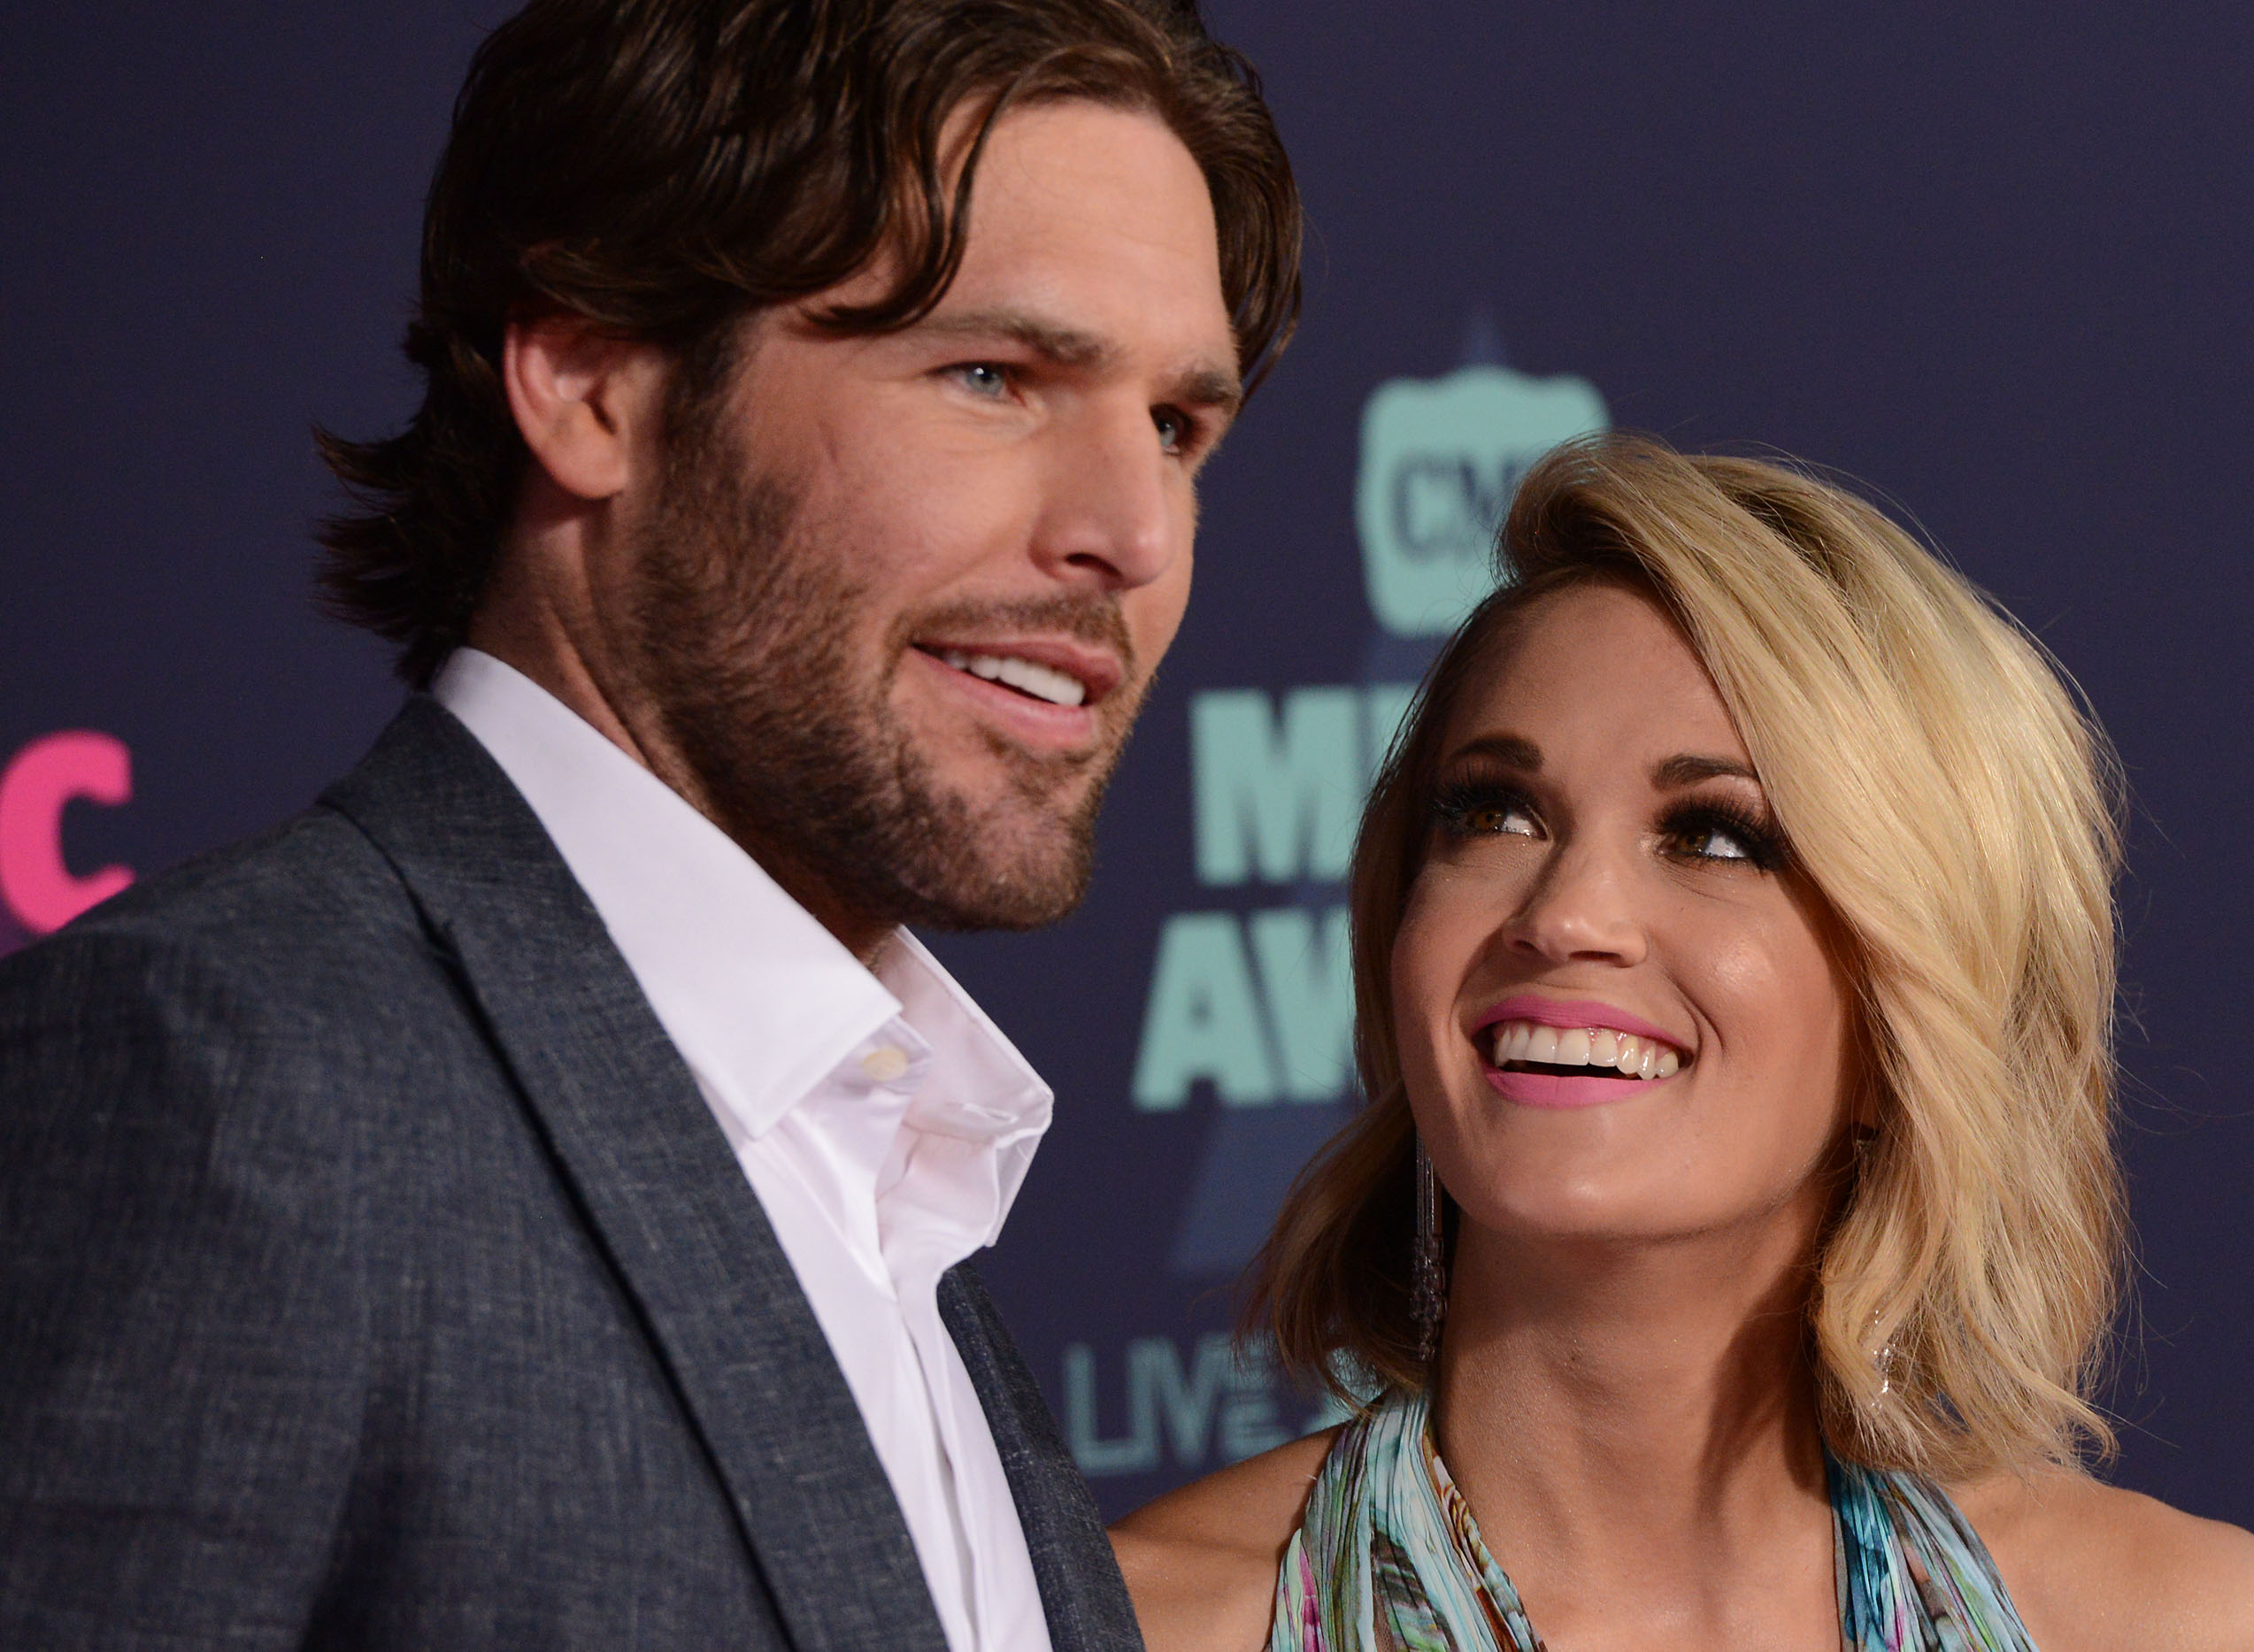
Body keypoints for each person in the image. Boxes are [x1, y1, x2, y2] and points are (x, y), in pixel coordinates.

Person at [0, 2, 1296, 1648]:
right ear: (592, 381)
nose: (1131, 533)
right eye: (993, 376)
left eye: (1180, 430)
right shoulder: (228, 1076)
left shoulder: (881, 1170)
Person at [1109, 434, 2254, 1651]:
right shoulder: (1131, 1625)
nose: (1566, 916)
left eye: (1714, 837)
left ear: (1904, 1011)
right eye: (1495, 814)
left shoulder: (2171, 1626)